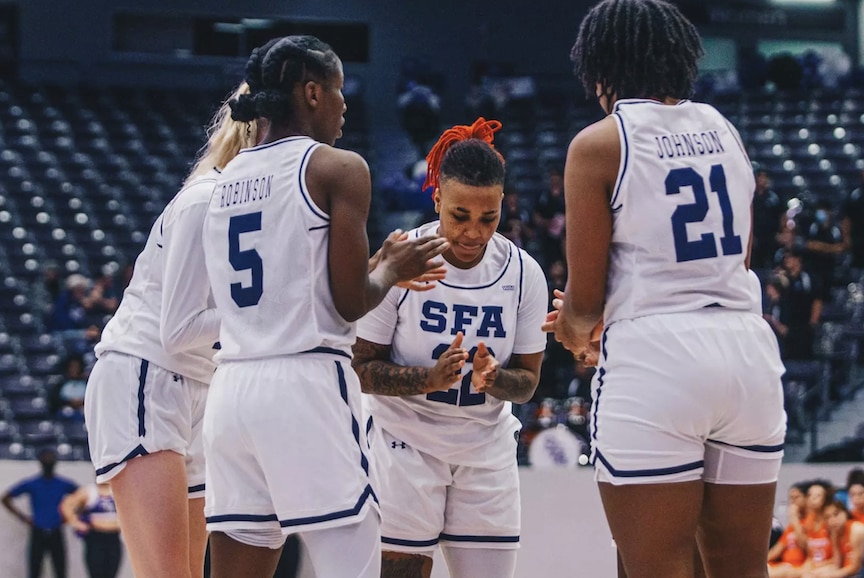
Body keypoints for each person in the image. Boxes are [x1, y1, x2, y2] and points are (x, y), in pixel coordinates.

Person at [543, 1, 787, 576]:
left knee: (654, 567)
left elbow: (584, 301)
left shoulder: (599, 143)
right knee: (742, 567)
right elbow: (743, 258)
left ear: (600, 69)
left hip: (657, 361)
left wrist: (575, 331)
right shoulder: (724, 129)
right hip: (746, 351)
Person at [199, 35, 448, 578]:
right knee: (351, 559)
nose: (344, 104)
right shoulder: (337, 168)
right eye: (338, 91)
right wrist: (393, 271)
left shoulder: (220, 181)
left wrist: (375, 265)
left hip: (232, 390)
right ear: (311, 93)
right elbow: (348, 303)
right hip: (304, 382)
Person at [83, 79, 266, 578]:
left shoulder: (267, 215)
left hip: (200, 386)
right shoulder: (205, 199)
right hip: (148, 374)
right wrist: (274, 311)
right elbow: (179, 329)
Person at [352, 118, 548, 578]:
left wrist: (496, 379)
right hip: (405, 442)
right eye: (460, 215)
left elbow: (529, 383)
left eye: (489, 218)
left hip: (485, 448)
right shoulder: (403, 258)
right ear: (437, 196)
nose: (473, 232)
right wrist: (428, 379)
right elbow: (360, 367)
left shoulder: (524, 274)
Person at [1, 448, 78, 578]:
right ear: (40, 462)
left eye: (51, 459)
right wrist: (23, 518)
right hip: (38, 531)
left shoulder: (63, 484)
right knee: (34, 570)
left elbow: (83, 497)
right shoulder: (32, 483)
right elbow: (6, 498)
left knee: (60, 570)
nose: (49, 462)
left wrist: (69, 516)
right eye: (46, 459)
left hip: (56, 531)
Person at [60, 482, 122, 578]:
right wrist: (76, 522)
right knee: (96, 573)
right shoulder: (90, 492)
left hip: (113, 538)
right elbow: (67, 505)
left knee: (111, 573)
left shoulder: (119, 491)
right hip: (95, 538)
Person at [769, 482, 809, 576]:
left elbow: (806, 547)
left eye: (797, 497)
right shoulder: (791, 527)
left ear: (806, 499)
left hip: (798, 567)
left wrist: (794, 519)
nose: (793, 501)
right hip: (784, 564)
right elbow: (776, 550)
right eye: (791, 498)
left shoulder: (808, 522)